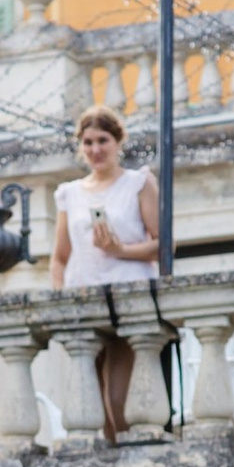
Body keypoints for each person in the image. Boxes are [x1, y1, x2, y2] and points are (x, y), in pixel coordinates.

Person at [49, 106, 161, 439]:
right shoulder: (69, 194)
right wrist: (59, 297)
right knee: (91, 402)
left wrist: (120, 250)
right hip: (84, 297)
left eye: (103, 140)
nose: (95, 149)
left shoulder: (138, 183)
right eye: (88, 142)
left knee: (117, 400)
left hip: (128, 297)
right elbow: (59, 257)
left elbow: (162, 244)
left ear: (117, 142)